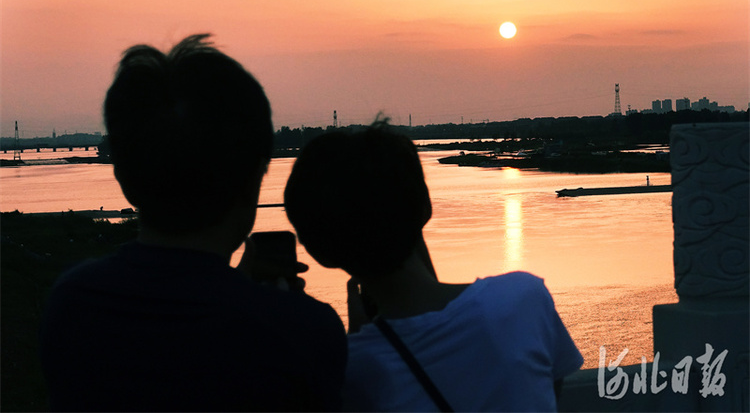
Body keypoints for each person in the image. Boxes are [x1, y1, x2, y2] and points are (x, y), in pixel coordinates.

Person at [39, 34, 347, 411]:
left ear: (122, 174)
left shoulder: (73, 304)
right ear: (255, 175)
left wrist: (234, 284)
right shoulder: (304, 330)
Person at [284, 122, 583, 411]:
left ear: (319, 252)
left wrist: (363, 340)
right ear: (425, 204)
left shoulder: (348, 373)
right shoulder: (522, 300)